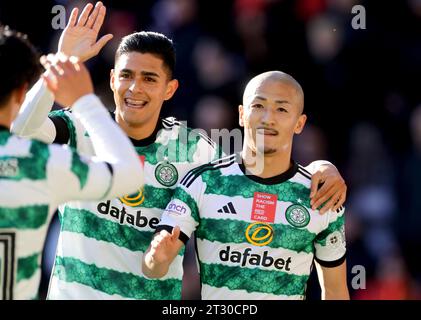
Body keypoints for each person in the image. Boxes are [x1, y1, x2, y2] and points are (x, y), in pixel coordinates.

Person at [12, 2, 347, 299]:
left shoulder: (195, 149)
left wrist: (321, 166)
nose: (135, 88)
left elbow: (257, 167)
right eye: (126, 75)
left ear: (169, 89)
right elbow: (20, 130)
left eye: (148, 79)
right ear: (112, 79)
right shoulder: (79, 126)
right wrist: (62, 61)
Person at [143, 71, 350, 300]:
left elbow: (335, 291)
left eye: (281, 109)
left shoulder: (320, 196)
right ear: (242, 114)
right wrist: (157, 258)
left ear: (299, 123)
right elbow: (152, 267)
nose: (268, 118)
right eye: (258, 106)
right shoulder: (203, 182)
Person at [0, 26, 143, 300]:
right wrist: (84, 101)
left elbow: (21, 128)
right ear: (21, 94)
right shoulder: (41, 164)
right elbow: (128, 175)